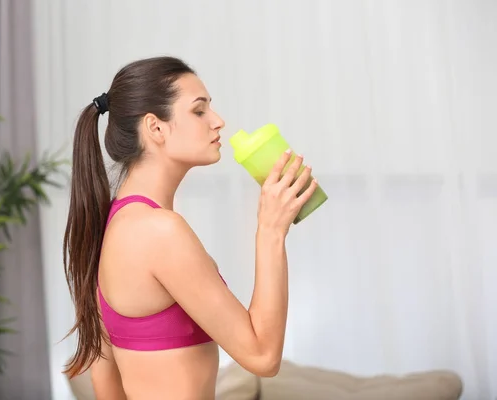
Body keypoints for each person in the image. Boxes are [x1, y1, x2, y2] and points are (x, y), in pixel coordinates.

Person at [62, 56, 317, 400]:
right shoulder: (158, 231)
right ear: (156, 128)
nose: (218, 121)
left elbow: (104, 382)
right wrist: (271, 230)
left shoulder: (115, 224)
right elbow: (263, 356)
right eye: (199, 111)